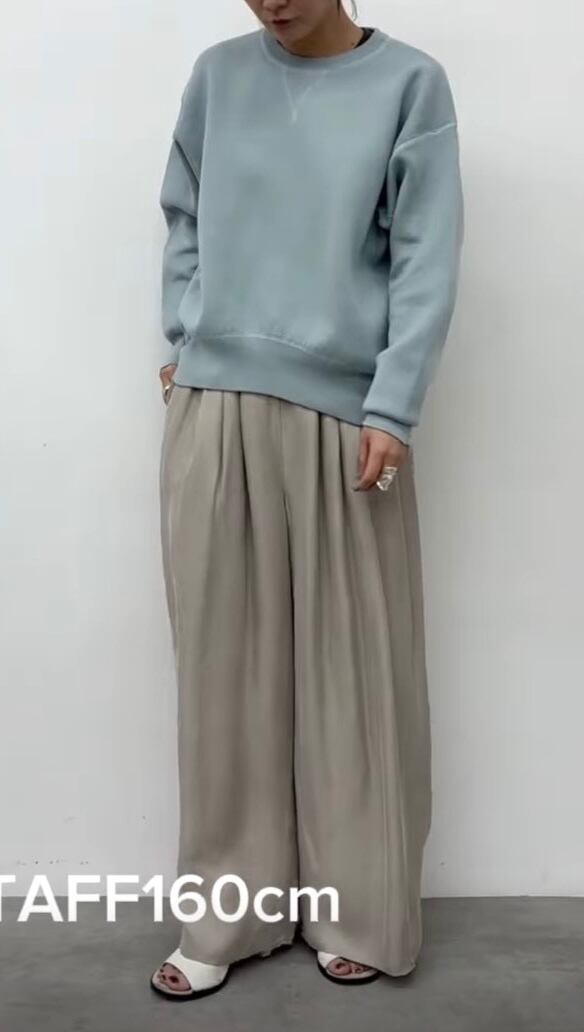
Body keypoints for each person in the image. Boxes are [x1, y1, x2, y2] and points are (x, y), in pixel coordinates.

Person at [150, 0, 464, 1000]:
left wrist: (394, 405)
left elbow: (424, 255)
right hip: (216, 405)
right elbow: (184, 218)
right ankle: (226, 914)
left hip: (347, 418)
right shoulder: (218, 76)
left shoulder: (408, 85)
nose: (271, 2)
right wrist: (185, 337)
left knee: (354, 675)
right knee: (222, 678)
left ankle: (356, 907)